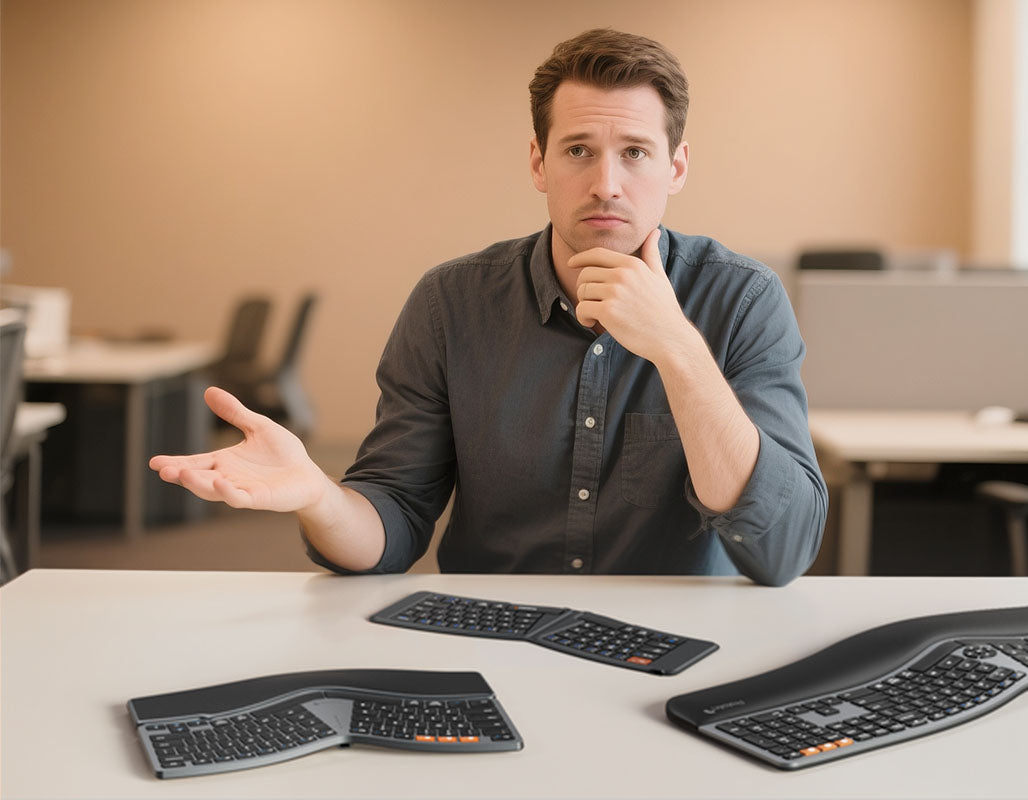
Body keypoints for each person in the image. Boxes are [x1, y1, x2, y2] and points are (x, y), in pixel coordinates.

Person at [150, 28, 827, 586]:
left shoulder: (743, 299)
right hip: (492, 642)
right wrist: (319, 497)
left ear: (676, 167)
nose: (606, 184)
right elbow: (393, 527)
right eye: (579, 151)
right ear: (539, 163)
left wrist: (677, 349)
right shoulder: (451, 303)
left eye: (636, 153)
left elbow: (783, 550)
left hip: (676, 649)